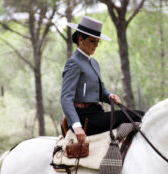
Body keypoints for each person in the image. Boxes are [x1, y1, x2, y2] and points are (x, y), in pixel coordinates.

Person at [61, 16, 144, 144]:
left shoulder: (94, 63)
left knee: (139, 115)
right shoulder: (73, 63)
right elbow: (66, 98)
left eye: (98, 41)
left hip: (97, 113)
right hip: (84, 119)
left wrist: (110, 95)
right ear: (81, 39)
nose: (96, 45)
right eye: (92, 41)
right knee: (138, 116)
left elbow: (99, 92)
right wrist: (77, 126)